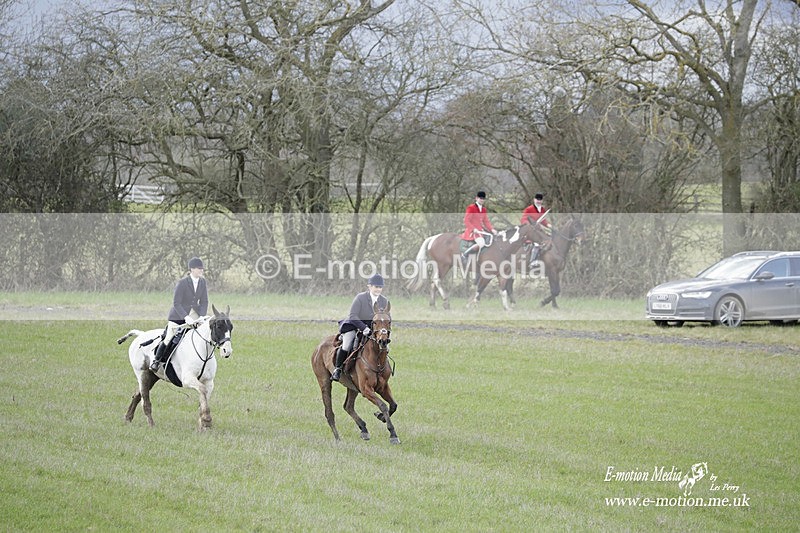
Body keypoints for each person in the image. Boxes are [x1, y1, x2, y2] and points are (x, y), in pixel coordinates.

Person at [150, 257, 209, 372]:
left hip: (194, 313)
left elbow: (204, 301)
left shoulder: (202, 282)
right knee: (169, 337)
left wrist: (201, 316)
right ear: (192, 269)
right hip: (178, 314)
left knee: (204, 331)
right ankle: (156, 361)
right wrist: (185, 317)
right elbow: (176, 303)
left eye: (202, 268)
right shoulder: (182, 283)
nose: (201, 271)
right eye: (199, 268)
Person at [331, 273, 390, 382]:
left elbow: (385, 317)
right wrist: (364, 328)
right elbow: (353, 315)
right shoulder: (360, 297)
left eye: (380, 287)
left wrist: (384, 331)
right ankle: (338, 369)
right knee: (347, 344)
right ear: (369, 286)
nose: (378, 289)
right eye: (376, 287)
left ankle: (380, 370)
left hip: (373, 329)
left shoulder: (384, 300)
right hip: (354, 325)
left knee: (385, 347)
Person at [460, 191, 498, 266]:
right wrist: (473, 229)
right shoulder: (471, 208)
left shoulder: (483, 209)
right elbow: (466, 220)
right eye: (480, 198)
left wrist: (492, 229)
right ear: (476, 198)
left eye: (483, 198)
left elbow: (486, 221)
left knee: (492, 241)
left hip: (480, 232)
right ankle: (464, 255)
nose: (482, 200)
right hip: (472, 232)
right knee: (481, 243)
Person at [521, 193, 551, 263]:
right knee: (536, 244)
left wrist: (549, 226)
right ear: (534, 200)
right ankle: (533, 261)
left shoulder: (542, 209)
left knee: (547, 241)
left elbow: (543, 221)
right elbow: (523, 219)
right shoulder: (529, 209)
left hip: (538, 231)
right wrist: (529, 226)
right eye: (537, 200)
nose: (539, 201)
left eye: (540, 200)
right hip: (530, 231)